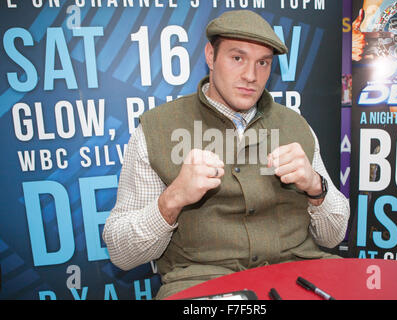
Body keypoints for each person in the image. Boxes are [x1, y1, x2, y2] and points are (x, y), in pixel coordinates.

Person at [103, 10, 350, 300]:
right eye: (237, 58)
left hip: (300, 278)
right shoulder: (156, 129)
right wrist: (172, 200)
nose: (250, 75)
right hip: (204, 287)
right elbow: (122, 254)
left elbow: (334, 236)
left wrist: (316, 187)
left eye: (263, 63)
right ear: (211, 56)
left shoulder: (296, 125)